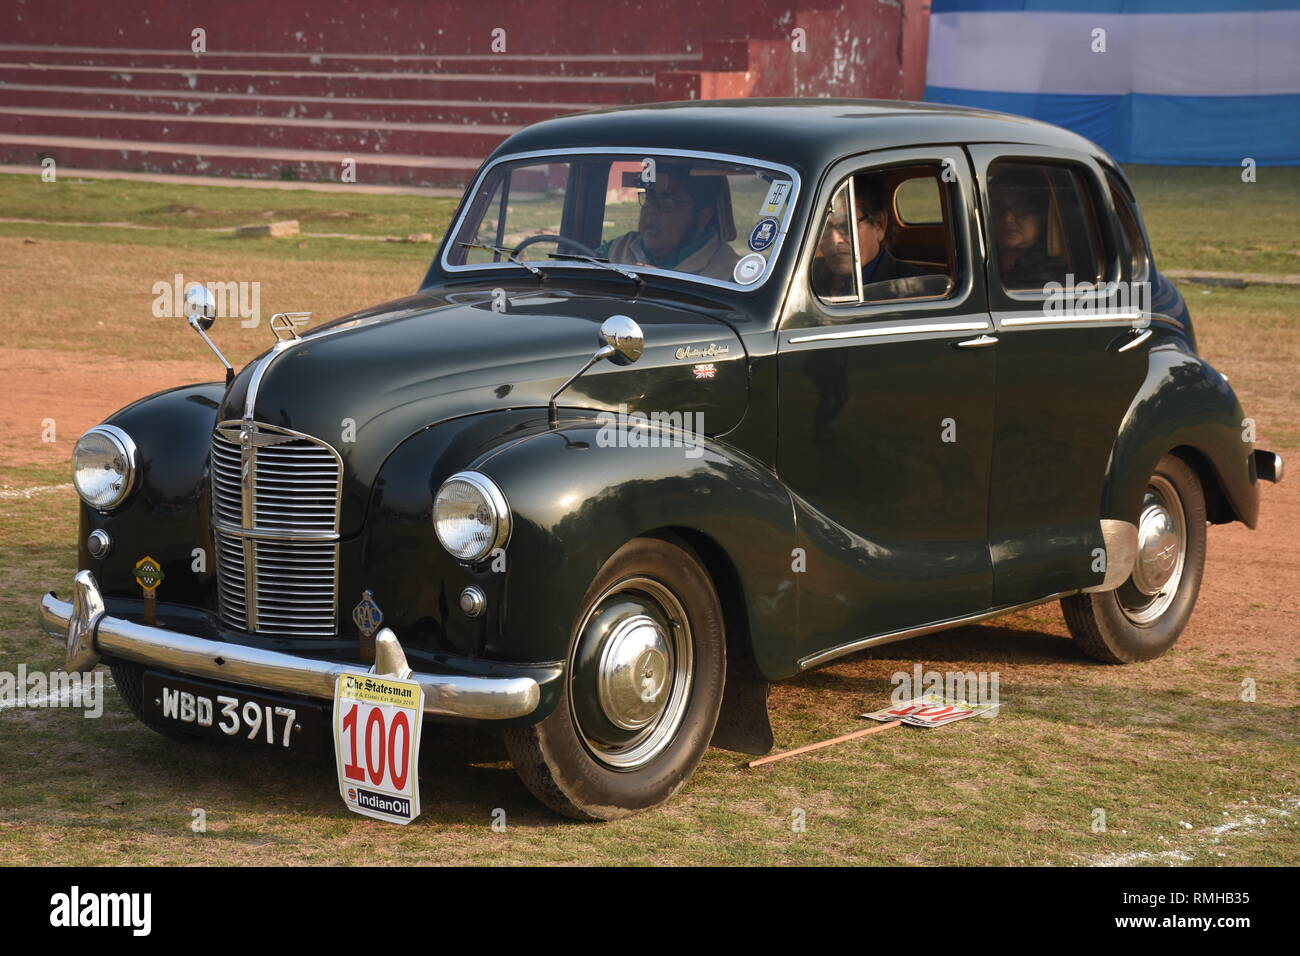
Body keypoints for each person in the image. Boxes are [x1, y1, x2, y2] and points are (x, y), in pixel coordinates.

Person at [600, 166, 739, 281]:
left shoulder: (728, 273)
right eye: (649, 199)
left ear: (702, 217)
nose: (652, 210)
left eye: (667, 203)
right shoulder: (615, 250)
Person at [990, 167, 1066, 290]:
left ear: (1041, 217)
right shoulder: (977, 262)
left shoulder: (1052, 276)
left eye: (1021, 208)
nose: (1007, 218)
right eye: (997, 208)